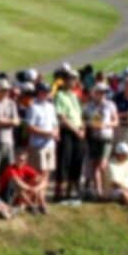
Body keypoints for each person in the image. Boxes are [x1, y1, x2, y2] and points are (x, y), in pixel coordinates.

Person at [84, 83, 119, 198]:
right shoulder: (89, 106)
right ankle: (98, 191)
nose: (102, 94)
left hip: (106, 137)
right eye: (99, 92)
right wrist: (90, 124)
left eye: (104, 92)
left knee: (103, 164)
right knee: (95, 165)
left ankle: (105, 188)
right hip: (94, 137)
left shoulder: (110, 105)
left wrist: (105, 124)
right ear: (94, 93)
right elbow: (84, 120)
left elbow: (116, 121)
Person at [53, 72, 84, 200]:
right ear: (64, 81)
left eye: (74, 80)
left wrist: (82, 128)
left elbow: (78, 115)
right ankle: (59, 193)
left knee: (76, 161)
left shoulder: (75, 96)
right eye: (70, 80)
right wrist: (76, 130)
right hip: (67, 132)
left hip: (78, 131)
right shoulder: (60, 95)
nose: (73, 82)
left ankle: (70, 192)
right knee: (64, 162)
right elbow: (61, 116)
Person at [0, 149, 48, 214]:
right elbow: (18, 182)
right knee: (16, 184)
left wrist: (36, 188)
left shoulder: (26, 168)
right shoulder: (10, 169)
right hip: (7, 196)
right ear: (15, 159)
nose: (20, 161)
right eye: (18, 159)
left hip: (19, 195)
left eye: (22, 160)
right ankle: (31, 206)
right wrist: (31, 189)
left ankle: (43, 206)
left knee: (37, 180)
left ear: (25, 161)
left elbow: (43, 180)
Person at [26, 84, 60, 181]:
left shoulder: (51, 107)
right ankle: (37, 195)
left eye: (47, 92)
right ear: (39, 93)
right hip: (38, 145)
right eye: (44, 92)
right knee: (37, 173)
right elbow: (30, 127)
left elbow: (55, 123)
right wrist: (47, 133)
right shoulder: (33, 107)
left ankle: (42, 195)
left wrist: (56, 132)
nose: (46, 94)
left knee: (47, 172)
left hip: (50, 144)